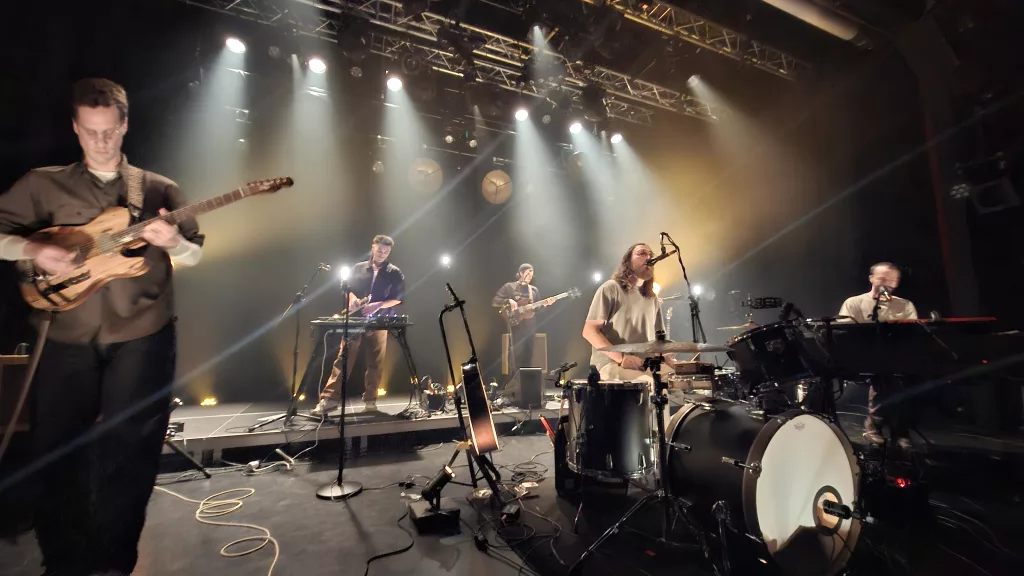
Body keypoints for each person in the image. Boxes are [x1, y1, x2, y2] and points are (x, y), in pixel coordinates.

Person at [0, 78, 204, 575]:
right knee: (55, 449)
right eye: (91, 131)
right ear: (75, 127)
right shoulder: (42, 184)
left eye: (110, 130)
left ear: (125, 125)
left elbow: (194, 255)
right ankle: (63, 561)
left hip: (143, 331)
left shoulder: (157, 188)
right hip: (65, 333)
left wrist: (174, 243)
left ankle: (114, 561)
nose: (101, 141)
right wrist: (34, 248)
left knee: (132, 451)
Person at [313, 234, 404, 416]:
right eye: (380, 250)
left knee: (376, 361)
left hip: (379, 321)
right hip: (355, 320)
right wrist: (353, 300)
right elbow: (348, 289)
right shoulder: (358, 268)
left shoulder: (394, 272)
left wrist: (378, 305)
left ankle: (370, 400)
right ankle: (329, 399)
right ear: (373, 247)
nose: (382, 254)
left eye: (386, 252)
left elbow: (398, 298)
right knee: (344, 358)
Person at [837, 262, 918, 446]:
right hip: (864, 359)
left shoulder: (904, 305)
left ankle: (884, 427)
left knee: (898, 376)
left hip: (896, 359)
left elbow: (913, 333)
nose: (887, 283)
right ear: (871, 279)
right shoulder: (854, 303)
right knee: (885, 376)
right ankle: (889, 429)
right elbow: (844, 334)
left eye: (892, 280)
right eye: (882, 278)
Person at [582, 243, 665, 384]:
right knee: (649, 384)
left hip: (645, 365)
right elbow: (589, 331)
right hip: (612, 364)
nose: (649, 257)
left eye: (650, 254)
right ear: (628, 261)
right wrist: (621, 357)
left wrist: (673, 363)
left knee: (678, 381)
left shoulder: (652, 298)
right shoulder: (611, 288)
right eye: (642, 253)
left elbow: (659, 342)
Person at [492, 263, 549, 374]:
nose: (529, 277)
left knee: (529, 356)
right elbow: (495, 301)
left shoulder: (534, 290)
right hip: (516, 326)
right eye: (527, 274)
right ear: (521, 273)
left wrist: (545, 304)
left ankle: (526, 382)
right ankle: (515, 381)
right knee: (516, 357)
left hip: (531, 327)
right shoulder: (509, 287)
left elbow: (539, 310)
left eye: (531, 275)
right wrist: (508, 300)